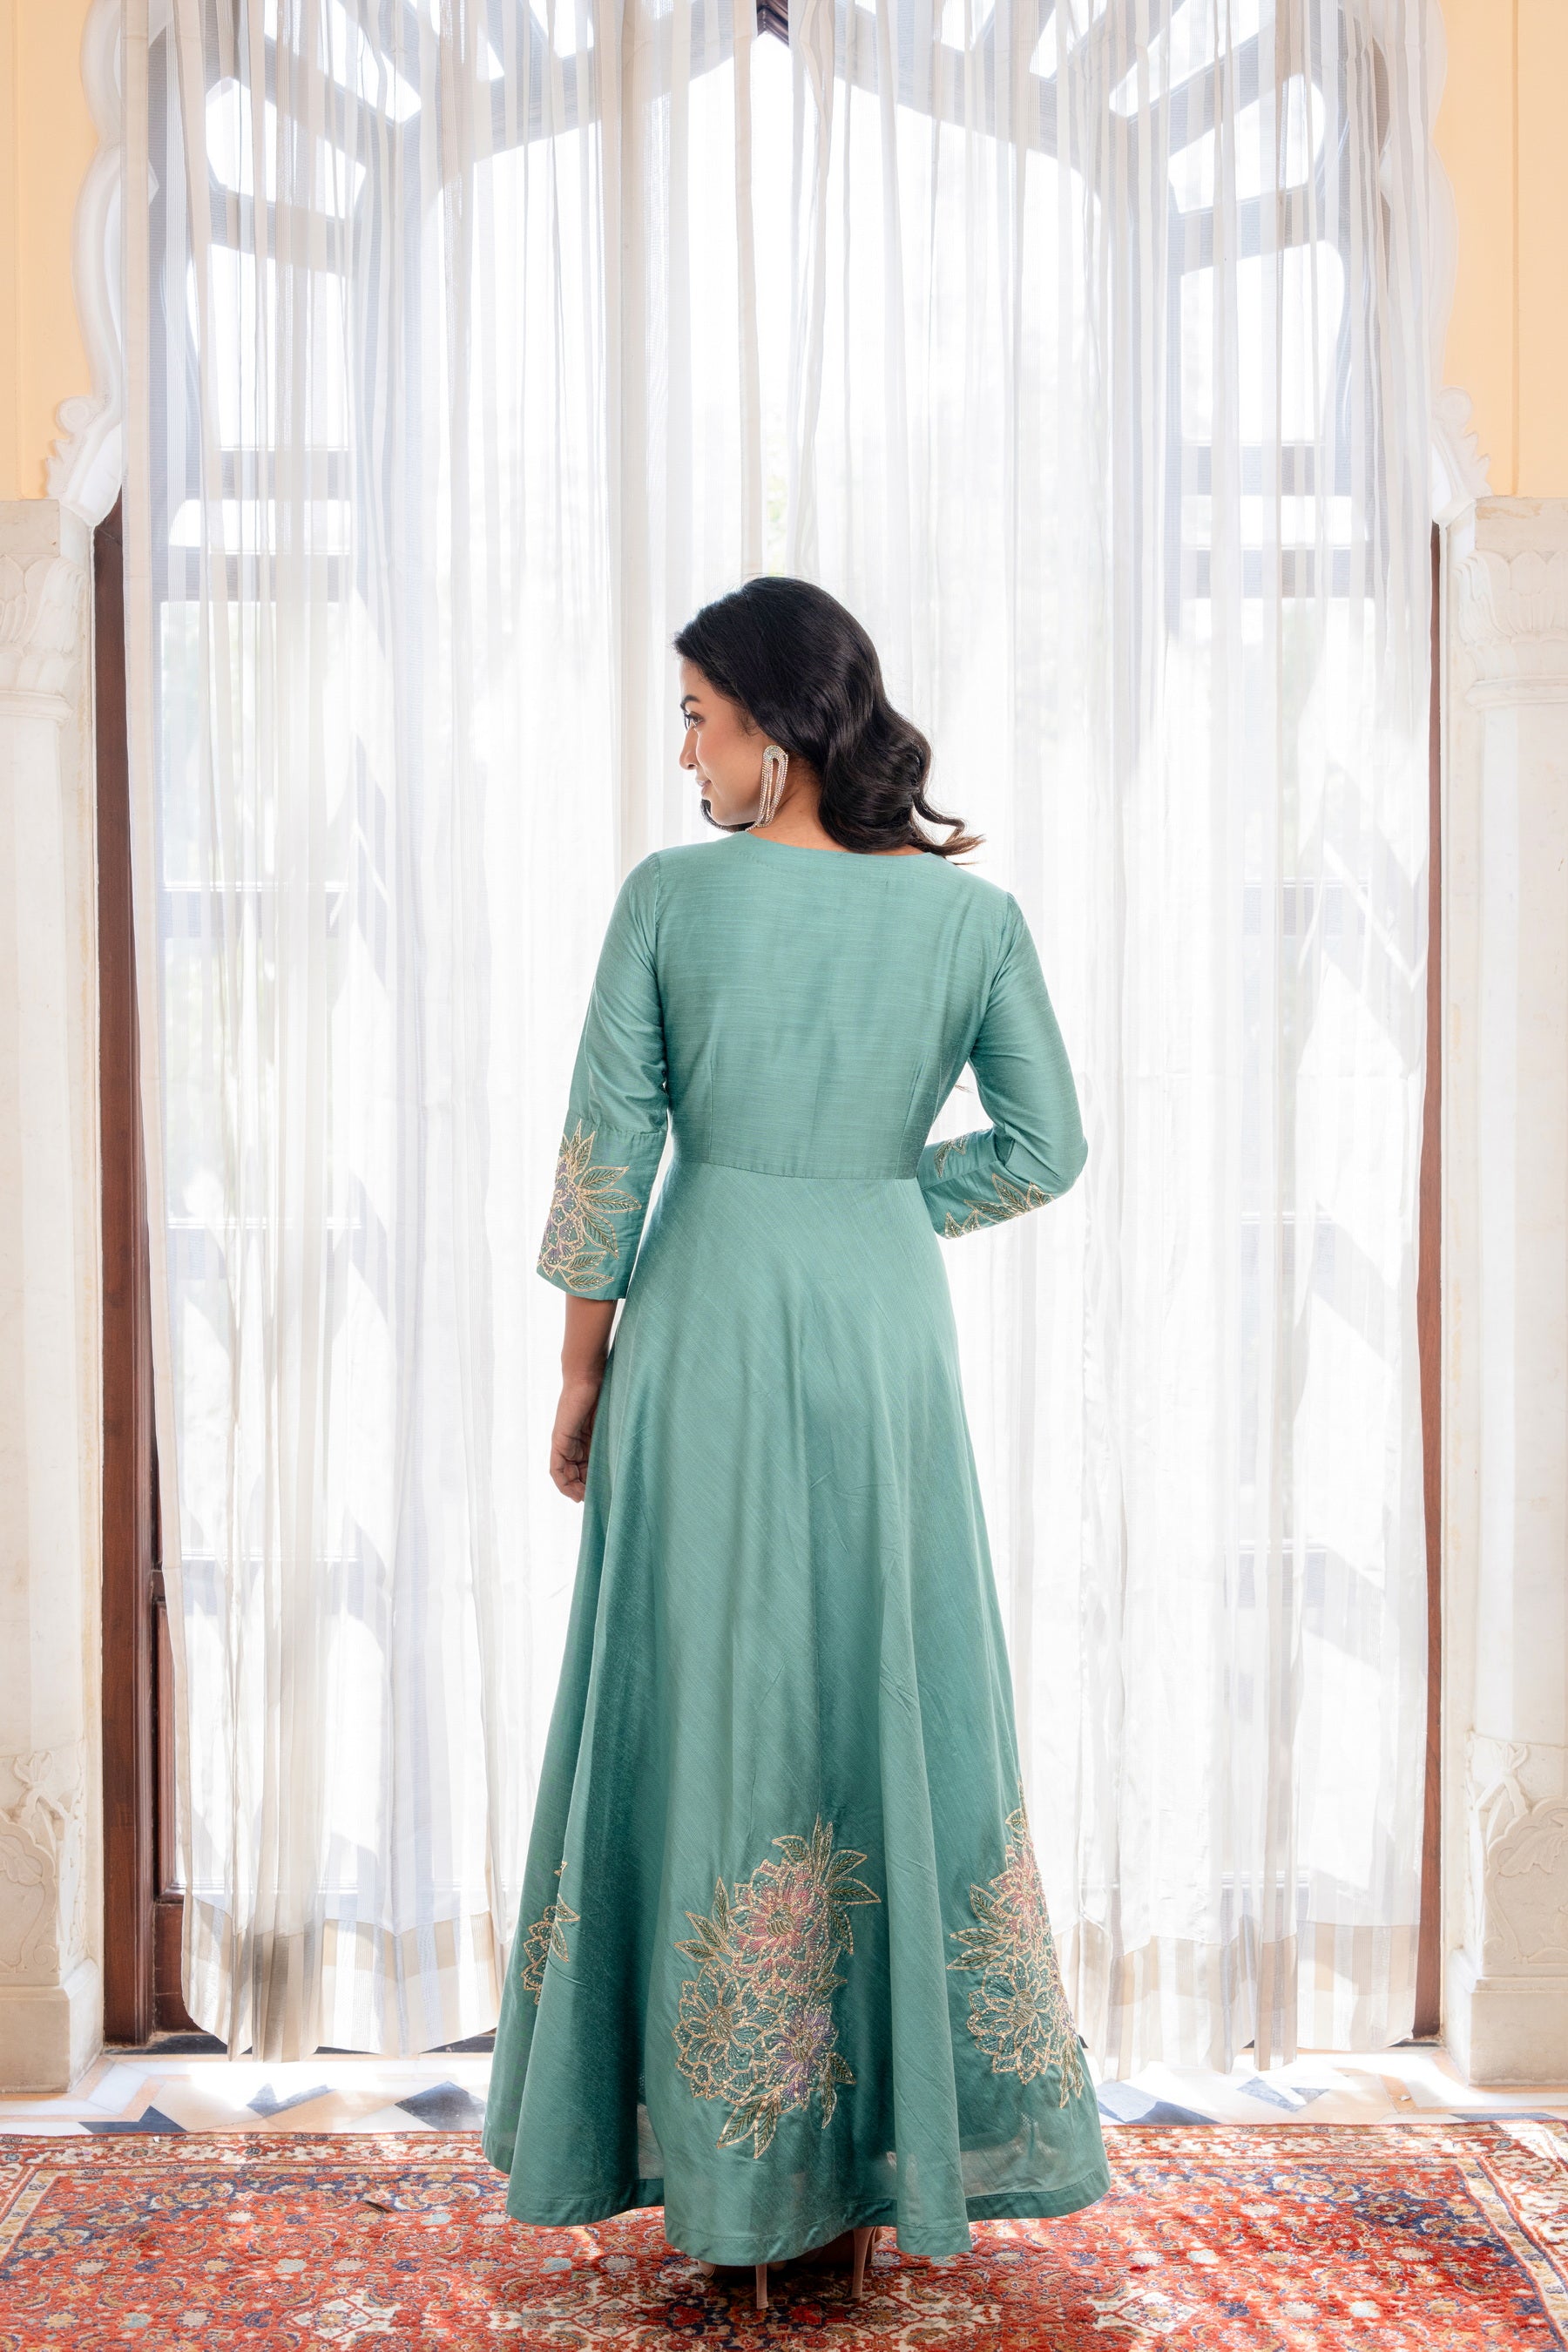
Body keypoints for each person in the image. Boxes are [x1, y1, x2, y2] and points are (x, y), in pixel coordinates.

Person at [481, 575, 1110, 2305]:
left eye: (697, 717)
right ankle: (865, 2172)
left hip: (702, 1326)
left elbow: (608, 1150)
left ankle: (727, 2163)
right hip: (880, 1336)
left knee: (703, 1698)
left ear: (773, 728)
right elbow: (1047, 1147)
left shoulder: (671, 901)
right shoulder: (969, 922)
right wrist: (886, 1200)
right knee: (878, 1689)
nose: (682, 751)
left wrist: (580, 1373)